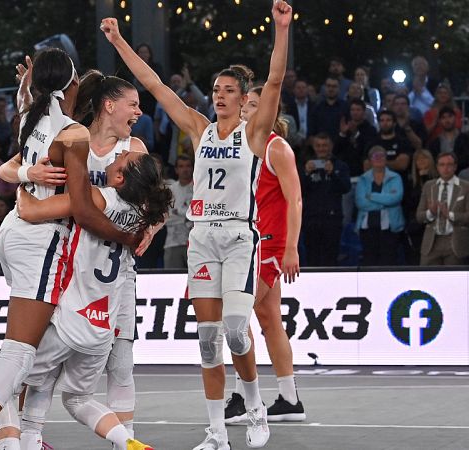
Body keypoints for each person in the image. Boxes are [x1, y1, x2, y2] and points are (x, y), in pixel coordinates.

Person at [103, 2, 292, 448]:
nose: (220, 95)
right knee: (208, 343)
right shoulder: (199, 128)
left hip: (240, 237)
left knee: (234, 332)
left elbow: (277, 79)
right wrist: (117, 41)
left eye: (229, 90)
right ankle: (216, 433)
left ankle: (255, 407)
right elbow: (151, 83)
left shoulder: (254, 133)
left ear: (245, 97)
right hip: (202, 237)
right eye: (216, 89)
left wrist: (282, 30)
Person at [0, 48, 140, 450]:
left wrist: (25, 178)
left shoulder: (31, 112)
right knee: (19, 355)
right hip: (42, 238)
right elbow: (84, 209)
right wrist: (125, 236)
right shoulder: (75, 133)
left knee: (24, 351)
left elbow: (11, 165)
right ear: (72, 86)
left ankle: (20, 439)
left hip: (14, 230)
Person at [0, 67, 151, 442]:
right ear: (109, 105)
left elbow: (154, 203)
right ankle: (32, 435)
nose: (140, 113)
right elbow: (10, 166)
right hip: (70, 262)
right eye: (133, 104)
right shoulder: (73, 136)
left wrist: (149, 228)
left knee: (116, 362)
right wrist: (28, 173)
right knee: (48, 367)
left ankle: (24, 434)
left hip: (108, 272)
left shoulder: (132, 152)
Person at [8, 150, 169, 450]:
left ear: (120, 177)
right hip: (101, 328)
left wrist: (24, 185)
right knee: (79, 399)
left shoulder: (95, 199)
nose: (119, 151)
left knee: (9, 381)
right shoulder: (142, 215)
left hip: (70, 315)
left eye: (123, 157)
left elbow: (29, 210)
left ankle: (19, 442)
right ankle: (129, 442)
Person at [225, 86, 304, 424]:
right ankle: (289, 399)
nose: (245, 109)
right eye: (245, 104)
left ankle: (245, 396)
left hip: (269, 244)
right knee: (270, 321)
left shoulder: (277, 147)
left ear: (269, 109)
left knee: (236, 319)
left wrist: (290, 248)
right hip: (251, 242)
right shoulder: (243, 147)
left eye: (254, 104)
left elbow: (296, 199)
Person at [300, 134, 351, 266]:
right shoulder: (306, 165)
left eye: (325, 145)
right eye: (318, 146)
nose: (322, 149)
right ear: (314, 147)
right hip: (311, 218)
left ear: (331, 147)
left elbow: (346, 188)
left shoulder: (340, 166)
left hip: (332, 219)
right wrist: (306, 173)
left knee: (331, 256)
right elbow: (298, 191)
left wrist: (332, 173)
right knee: (312, 256)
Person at [355, 146, 405, 266]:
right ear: (370, 160)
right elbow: (361, 203)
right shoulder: (363, 179)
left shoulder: (395, 177)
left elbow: (396, 198)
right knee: (369, 262)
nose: (379, 158)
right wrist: (385, 202)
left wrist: (372, 196)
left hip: (390, 229)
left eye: (382, 156)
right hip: (367, 228)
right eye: (375, 156)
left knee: (388, 261)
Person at [416, 153, 469, 265]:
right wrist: (431, 212)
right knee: (427, 279)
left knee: (453, 281)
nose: (446, 168)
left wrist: (449, 215)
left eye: (449, 165)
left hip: (455, 243)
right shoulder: (429, 186)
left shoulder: (466, 187)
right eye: (442, 164)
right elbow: (419, 216)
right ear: (437, 167)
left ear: (455, 167)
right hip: (432, 242)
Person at [164, 155, 193, 269]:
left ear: (193, 168)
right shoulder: (170, 190)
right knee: (171, 281)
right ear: (176, 170)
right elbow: (166, 217)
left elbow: (200, 215)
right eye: (181, 166)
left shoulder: (200, 188)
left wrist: (177, 212)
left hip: (194, 243)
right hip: (172, 242)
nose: (185, 169)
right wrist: (187, 216)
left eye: (188, 166)